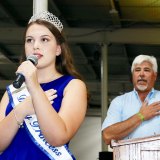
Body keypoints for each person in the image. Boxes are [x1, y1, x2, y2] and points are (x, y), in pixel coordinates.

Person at [0, 11, 87, 160]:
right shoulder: (13, 91)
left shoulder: (73, 86)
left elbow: (58, 137)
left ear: (58, 49)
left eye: (44, 40)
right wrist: (22, 109)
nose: (36, 46)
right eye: (29, 40)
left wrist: (34, 87)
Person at [102, 54, 160, 145]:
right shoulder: (119, 102)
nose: (141, 74)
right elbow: (107, 136)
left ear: (155, 76)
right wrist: (141, 116)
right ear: (133, 75)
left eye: (146, 70)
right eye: (137, 70)